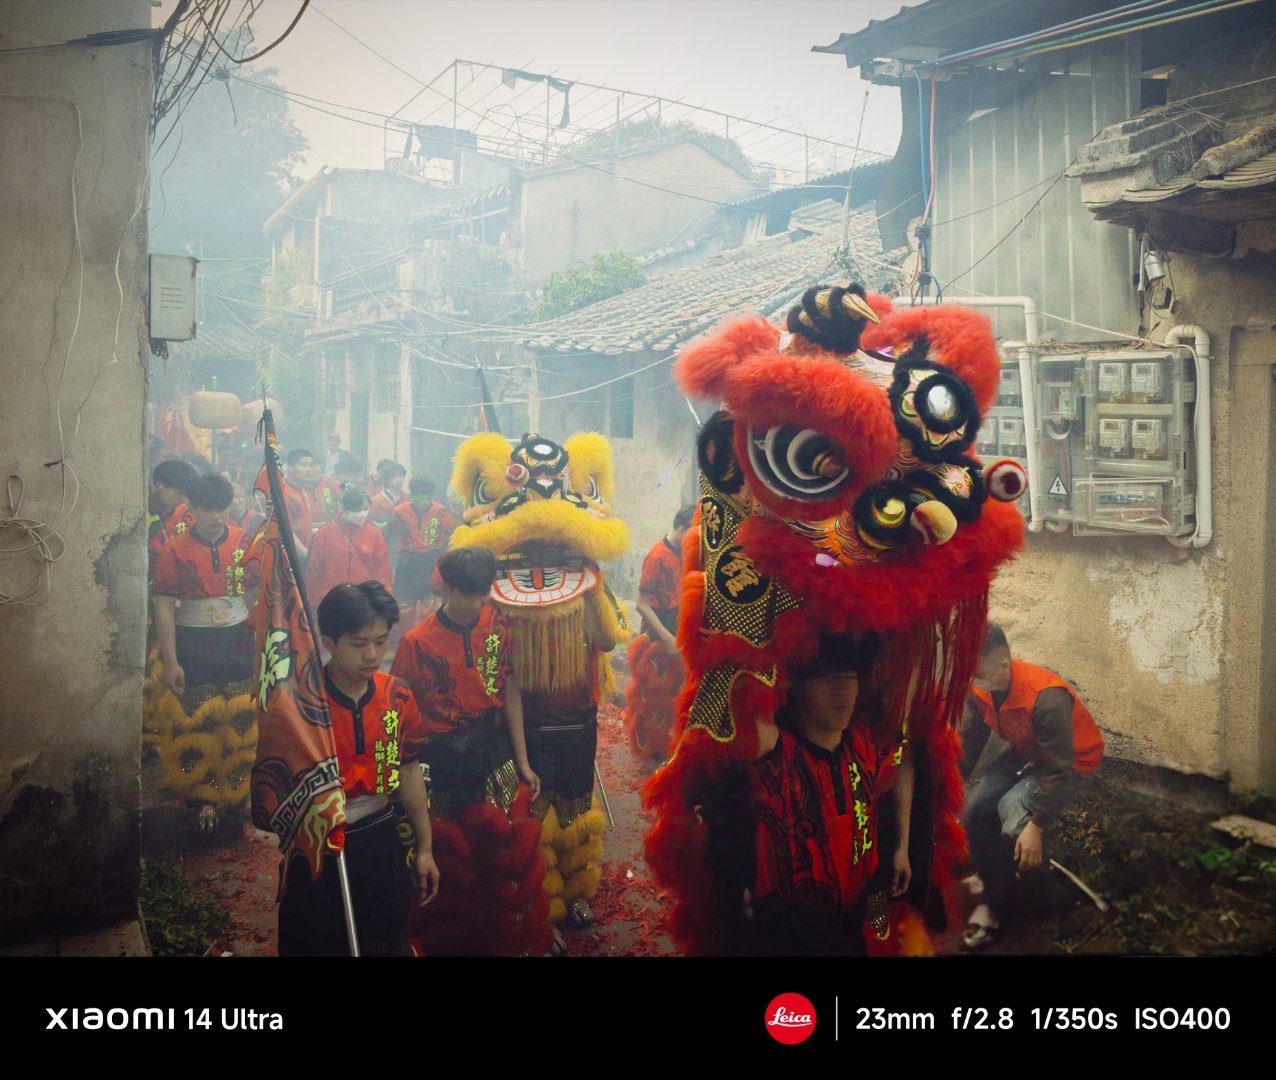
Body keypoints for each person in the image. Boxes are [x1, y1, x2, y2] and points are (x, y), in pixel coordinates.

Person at [278, 581, 440, 956]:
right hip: (321, 844)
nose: (372, 654)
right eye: (358, 644)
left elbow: (410, 771)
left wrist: (425, 847)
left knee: (384, 936)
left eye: (381, 641)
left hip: (381, 834)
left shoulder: (396, 695)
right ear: (330, 643)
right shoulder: (302, 703)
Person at [700, 631, 885, 956]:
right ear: (797, 687)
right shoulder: (773, 751)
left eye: (850, 678)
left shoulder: (863, 743)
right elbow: (736, 682)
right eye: (827, 679)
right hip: (788, 934)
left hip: (855, 920)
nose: (841, 691)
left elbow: (908, 698)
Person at [958, 623, 1104, 951]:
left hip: (1069, 765)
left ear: (1003, 667)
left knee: (1015, 819)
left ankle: (1051, 903)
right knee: (976, 809)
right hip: (1027, 751)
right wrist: (951, 783)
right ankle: (998, 891)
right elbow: (973, 739)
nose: (972, 682)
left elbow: (1059, 769)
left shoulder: (1046, 697)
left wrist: (1037, 826)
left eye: (978, 673)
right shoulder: (980, 685)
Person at [152, 473, 257, 698]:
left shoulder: (245, 541)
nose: (216, 516)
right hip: (193, 641)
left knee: (241, 710)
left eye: (221, 508)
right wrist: (171, 662)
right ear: (192, 509)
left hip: (239, 638)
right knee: (197, 712)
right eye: (208, 510)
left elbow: (259, 594)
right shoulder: (173, 550)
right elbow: (164, 608)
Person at [624, 504, 695, 761]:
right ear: (682, 527)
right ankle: (653, 753)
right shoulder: (656, 556)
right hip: (660, 632)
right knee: (655, 697)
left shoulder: (691, 553)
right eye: (695, 531)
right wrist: (666, 636)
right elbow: (642, 604)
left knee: (680, 694)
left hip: (682, 627)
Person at [305, 486, 393, 608]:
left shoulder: (374, 534)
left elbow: (382, 572)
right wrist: (311, 601)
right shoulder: (324, 534)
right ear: (343, 509)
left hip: (363, 603)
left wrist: (384, 600)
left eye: (366, 509)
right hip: (329, 601)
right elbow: (313, 570)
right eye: (358, 510)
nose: (362, 514)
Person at [386, 477, 457, 619]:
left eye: (427, 498)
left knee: (431, 605)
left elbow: (453, 534)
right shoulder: (399, 511)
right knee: (404, 604)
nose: (423, 502)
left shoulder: (441, 512)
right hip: (408, 561)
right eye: (419, 498)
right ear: (412, 496)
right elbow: (390, 530)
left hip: (431, 561)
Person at [148, 458, 200, 575]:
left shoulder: (187, 515)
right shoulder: (139, 514)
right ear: (160, 486)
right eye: (179, 493)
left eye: (186, 495)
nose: (183, 499)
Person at [369, 460, 408, 527]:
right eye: (394, 477)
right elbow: (369, 520)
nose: (399, 480)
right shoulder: (376, 500)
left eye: (401, 476)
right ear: (387, 480)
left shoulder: (408, 497)